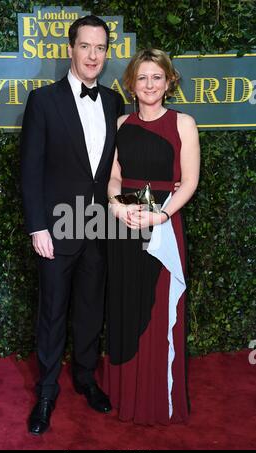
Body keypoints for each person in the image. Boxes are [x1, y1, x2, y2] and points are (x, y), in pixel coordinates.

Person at [21, 15, 124, 435]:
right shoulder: (43, 101)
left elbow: (112, 170)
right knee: (52, 313)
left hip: (98, 225)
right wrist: (37, 227)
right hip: (56, 229)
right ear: (70, 49)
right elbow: (30, 170)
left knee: (89, 311)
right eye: (86, 46)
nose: (93, 55)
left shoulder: (115, 102)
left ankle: (84, 378)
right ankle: (46, 393)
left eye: (100, 48)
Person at [102, 49, 200, 425]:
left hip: (162, 230)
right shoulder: (122, 122)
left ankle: (157, 401)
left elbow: (189, 181)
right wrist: (115, 204)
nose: (149, 84)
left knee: (159, 312)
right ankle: (126, 395)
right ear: (131, 83)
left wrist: (161, 215)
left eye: (156, 77)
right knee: (126, 307)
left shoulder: (183, 123)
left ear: (168, 82)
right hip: (124, 225)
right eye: (142, 78)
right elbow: (113, 175)